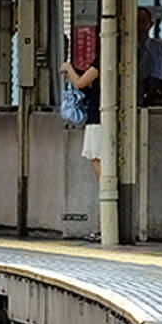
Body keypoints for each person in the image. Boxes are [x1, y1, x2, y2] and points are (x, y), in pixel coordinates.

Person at [60, 51, 101, 243]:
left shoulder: (104, 57)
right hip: (106, 120)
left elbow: (80, 83)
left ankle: (104, 226)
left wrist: (68, 68)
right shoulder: (126, 56)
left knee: (102, 176)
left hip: (98, 121)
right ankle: (104, 226)